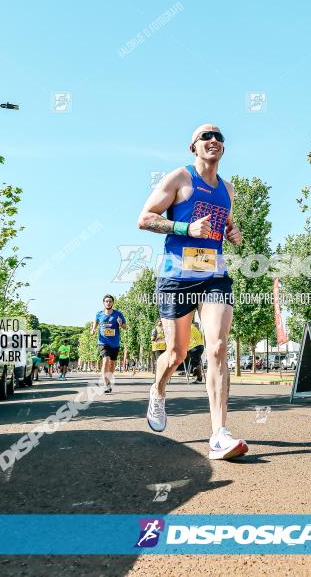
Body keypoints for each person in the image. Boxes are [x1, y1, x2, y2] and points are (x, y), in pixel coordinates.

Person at [136, 123, 247, 460]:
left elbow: (221, 223)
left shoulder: (229, 190)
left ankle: (219, 434)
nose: (213, 140)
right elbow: (145, 218)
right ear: (193, 147)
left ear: (223, 149)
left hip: (214, 274)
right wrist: (186, 227)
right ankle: (158, 390)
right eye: (206, 137)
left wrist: (231, 231)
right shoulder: (179, 179)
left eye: (219, 137)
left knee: (216, 346)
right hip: (177, 276)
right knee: (177, 353)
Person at [90, 294, 128, 394]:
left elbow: (125, 327)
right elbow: (95, 322)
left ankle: (108, 381)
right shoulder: (99, 314)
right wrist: (93, 329)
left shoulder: (118, 314)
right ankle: (106, 385)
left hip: (115, 343)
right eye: (106, 301)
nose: (108, 303)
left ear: (113, 303)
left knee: (112, 364)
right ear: (104, 303)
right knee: (105, 361)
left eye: (110, 301)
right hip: (103, 342)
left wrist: (121, 324)